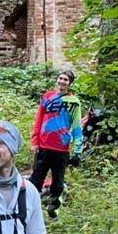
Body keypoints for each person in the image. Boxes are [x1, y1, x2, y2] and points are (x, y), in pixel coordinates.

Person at [29, 70, 83, 218]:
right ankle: (30, 210)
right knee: (36, 179)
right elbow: (38, 120)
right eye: (60, 78)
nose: (62, 81)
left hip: (61, 148)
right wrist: (35, 141)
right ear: (56, 80)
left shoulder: (74, 102)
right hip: (44, 145)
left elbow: (77, 126)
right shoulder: (47, 97)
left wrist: (78, 149)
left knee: (58, 182)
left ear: (69, 83)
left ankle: (53, 212)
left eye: (65, 80)